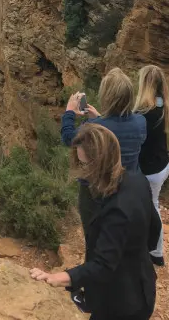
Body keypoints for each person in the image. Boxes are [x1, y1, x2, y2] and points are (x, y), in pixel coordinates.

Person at [30, 124, 161, 320]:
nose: (83, 171)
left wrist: (58, 278)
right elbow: (155, 227)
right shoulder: (136, 180)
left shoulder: (117, 209)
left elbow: (103, 265)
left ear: (100, 163)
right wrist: (134, 254)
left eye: (85, 164)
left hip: (122, 302)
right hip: (142, 281)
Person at [61, 68, 147, 231]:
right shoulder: (141, 122)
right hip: (129, 190)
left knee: (96, 240)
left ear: (106, 97)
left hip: (96, 194)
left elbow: (68, 138)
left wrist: (69, 112)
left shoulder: (92, 129)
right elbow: (117, 134)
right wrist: (99, 118)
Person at [134, 65, 169, 267]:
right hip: (163, 163)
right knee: (152, 205)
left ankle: (153, 252)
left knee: (147, 208)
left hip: (150, 170)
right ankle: (154, 251)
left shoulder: (143, 113)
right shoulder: (163, 104)